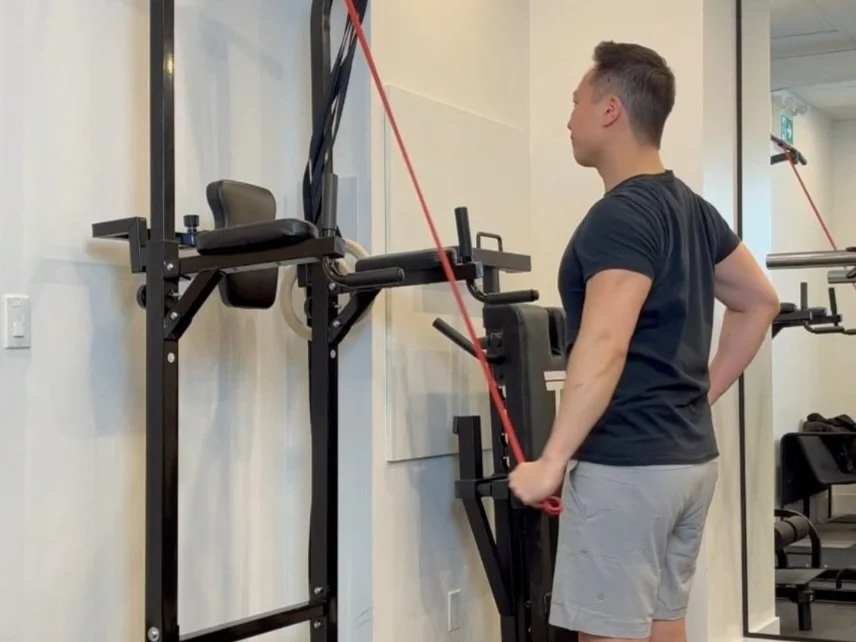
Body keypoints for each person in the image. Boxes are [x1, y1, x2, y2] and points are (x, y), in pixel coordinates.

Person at [507, 41, 779, 642]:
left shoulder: (619, 215)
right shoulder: (693, 209)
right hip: (689, 464)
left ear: (610, 110)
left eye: (576, 102)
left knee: (609, 632)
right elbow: (759, 301)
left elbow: (604, 341)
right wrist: (699, 395)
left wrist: (552, 461)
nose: (569, 119)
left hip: (627, 467)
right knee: (662, 622)